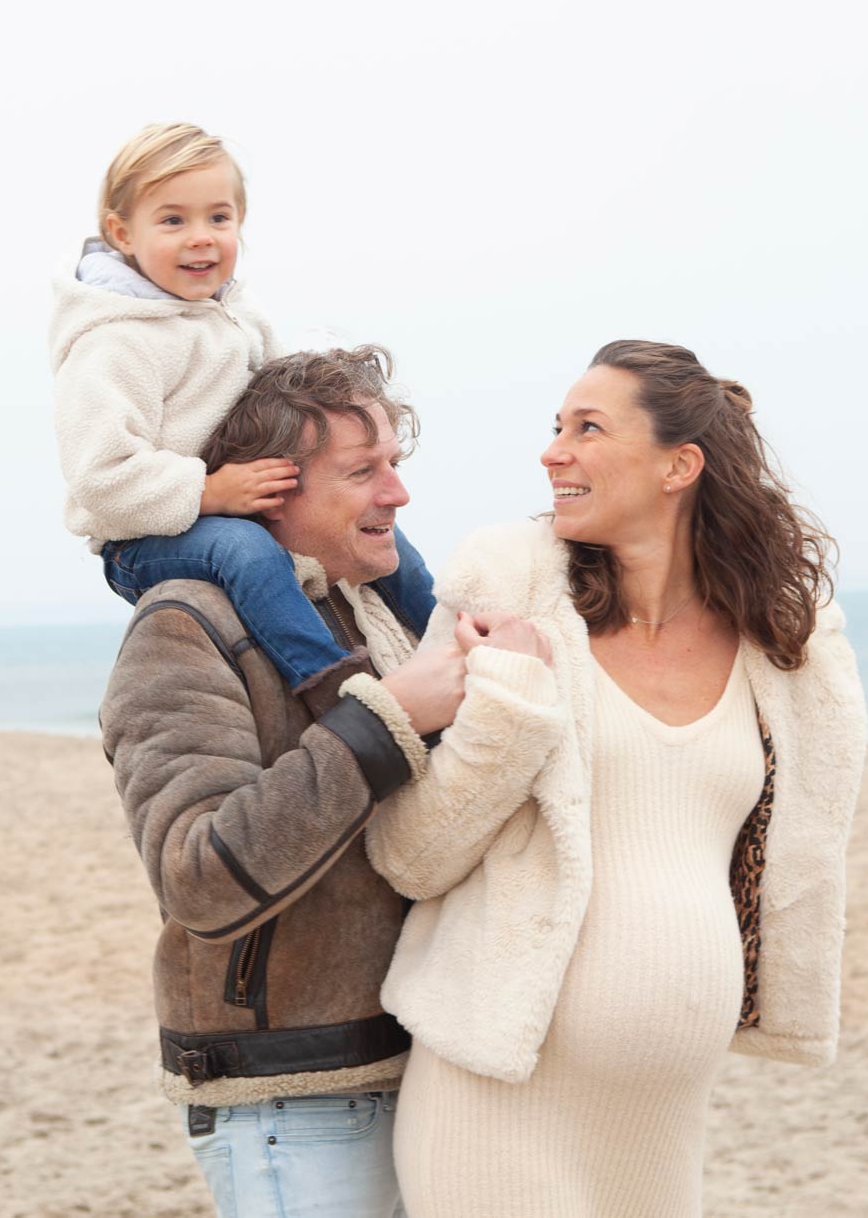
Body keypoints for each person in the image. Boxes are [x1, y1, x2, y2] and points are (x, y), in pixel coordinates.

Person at [365, 339, 868, 1217]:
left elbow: (800, 845)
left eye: (587, 428)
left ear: (680, 466)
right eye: (556, 426)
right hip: (498, 1099)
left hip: (662, 1118)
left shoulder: (780, 638)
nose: (552, 452)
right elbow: (411, 855)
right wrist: (511, 698)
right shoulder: (509, 591)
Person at [98, 346, 544, 1218]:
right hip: (292, 1101)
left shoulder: (369, 610)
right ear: (270, 488)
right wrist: (388, 719)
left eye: (396, 465)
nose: (398, 494)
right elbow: (197, 874)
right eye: (363, 471)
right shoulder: (184, 623)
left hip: (426, 1067)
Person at [48, 122, 436, 704]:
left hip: (235, 504)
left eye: (219, 218)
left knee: (385, 537)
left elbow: (280, 398)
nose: (201, 238)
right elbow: (100, 480)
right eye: (173, 220)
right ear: (121, 233)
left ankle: (451, 640)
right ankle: (334, 685)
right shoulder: (114, 341)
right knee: (246, 551)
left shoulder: (237, 311)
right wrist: (210, 491)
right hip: (144, 537)